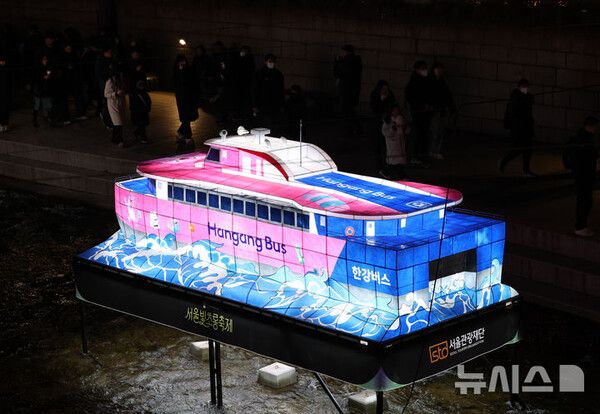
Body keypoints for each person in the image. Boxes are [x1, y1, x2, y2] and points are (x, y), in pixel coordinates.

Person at [568, 116, 599, 237]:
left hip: (582, 175)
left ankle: (581, 226)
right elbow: (589, 157)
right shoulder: (585, 140)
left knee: (584, 200)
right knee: (585, 201)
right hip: (584, 175)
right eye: (595, 126)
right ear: (591, 126)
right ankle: (580, 226)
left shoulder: (580, 137)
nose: (596, 129)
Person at [499, 78, 536, 176]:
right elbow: (512, 113)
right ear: (519, 87)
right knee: (519, 149)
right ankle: (504, 161)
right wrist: (510, 126)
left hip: (527, 128)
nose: (525, 88)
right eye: (523, 86)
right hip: (519, 129)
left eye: (527, 86)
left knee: (527, 149)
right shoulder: (516, 97)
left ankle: (526, 170)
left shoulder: (527, 97)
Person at [405, 60, 433, 164]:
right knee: (417, 134)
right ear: (417, 70)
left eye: (425, 68)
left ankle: (422, 155)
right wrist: (421, 106)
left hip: (425, 112)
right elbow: (411, 98)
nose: (425, 70)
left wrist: (429, 105)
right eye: (422, 68)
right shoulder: (414, 82)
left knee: (424, 134)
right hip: (417, 112)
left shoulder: (427, 80)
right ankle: (415, 155)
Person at [429, 62, 455, 160]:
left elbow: (448, 96)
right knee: (435, 131)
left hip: (442, 110)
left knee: (441, 131)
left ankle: (437, 151)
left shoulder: (442, 82)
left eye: (441, 68)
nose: (439, 70)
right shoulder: (431, 82)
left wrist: (452, 108)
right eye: (437, 68)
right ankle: (432, 150)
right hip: (434, 110)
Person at [334, 44, 362, 136]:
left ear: (346, 52)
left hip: (346, 91)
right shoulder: (355, 61)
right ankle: (354, 129)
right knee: (350, 111)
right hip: (351, 91)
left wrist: (337, 62)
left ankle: (349, 130)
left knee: (346, 111)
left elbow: (339, 73)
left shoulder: (347, 62)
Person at [252, 53, 285, 130]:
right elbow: (254, 90)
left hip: (275, 105)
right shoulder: (259, 74)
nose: (272, 63)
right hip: (262, 105)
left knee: (273, 126)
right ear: (265, 62)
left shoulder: (278, 74)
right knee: (263, 125)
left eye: (273, 61)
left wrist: (282, 104)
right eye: (270, 61)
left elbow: (281, 90)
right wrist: (254, 105)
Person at [369, 80, 397, 169]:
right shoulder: (375, 96)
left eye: (386, 88)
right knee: (377, 146)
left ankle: (388, 164)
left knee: (386, 146)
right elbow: (374, 109)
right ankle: (379, 166)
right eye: (383, 88)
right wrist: (381, 100)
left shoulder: (390, 96)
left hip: (387, 124)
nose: (384, 90)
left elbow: (394, 107)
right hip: (377, 125)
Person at [173, 54, 198, 145]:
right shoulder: (176, 71)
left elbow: (192, 81)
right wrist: (181, 71)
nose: (182, 63)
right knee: (185, 117)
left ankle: (180, 133)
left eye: (183, 61)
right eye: (180, 61)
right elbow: (179, 82)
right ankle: (187, 136)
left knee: (188, 117)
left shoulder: (189, 70)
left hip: (189, 96)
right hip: (182, 97)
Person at [380, 104, 408, 180]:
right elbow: (384, 132)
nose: (396, 112)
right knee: (394, 161)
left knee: (398, 161)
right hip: (392, 144)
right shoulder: (388, 121)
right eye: (394, 110)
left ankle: (388, 172)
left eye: (397, 110)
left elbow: (404, 130)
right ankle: (401, 175)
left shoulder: (400, 119)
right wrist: (392, 130)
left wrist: (405, 128)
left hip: (400, 143)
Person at [60, 43, 87, 121]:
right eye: (67, 47)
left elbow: (77, 66)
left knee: (78, 97)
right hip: (65, 81)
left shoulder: (74, 55)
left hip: (75, 80)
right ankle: (66, 117)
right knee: (65, 99)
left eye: (70, 47)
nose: (69, 49)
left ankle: (80, 114)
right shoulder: (62, 56)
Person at [104, 67, 126, 147]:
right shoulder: (110, 81)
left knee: (118, 123)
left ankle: (114, 138)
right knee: (118, 122)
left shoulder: (120, 80)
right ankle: (119, 140)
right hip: (113, 104)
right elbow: (106, 94)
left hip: (120, 104)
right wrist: (115, 94)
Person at [31, 55, 55, 128]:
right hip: (38, 89)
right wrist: (42, 77)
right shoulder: (37, 67)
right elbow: (35, 77)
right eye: (44, 59)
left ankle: (49, 118)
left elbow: (51, 75)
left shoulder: (48, 66)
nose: (45, 60)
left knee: (48, 105)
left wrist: (49, 77)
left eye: (46, 59)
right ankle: (35, 120)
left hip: (46, 89)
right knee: (37, 106)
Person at [232, 45, 255, 117]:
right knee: (238, 98)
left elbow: (250, 71)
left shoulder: (249, 60)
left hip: (246, 82)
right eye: (242, 51)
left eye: (244, 51)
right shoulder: (238, 59)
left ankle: (244, 113)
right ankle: (238, 112)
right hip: (238, 82)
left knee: (245, 98)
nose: (242, 52)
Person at [129, 78, 151, 144]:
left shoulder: (140, 93)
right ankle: (143, 138)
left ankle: (137, 132)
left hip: (142, 112)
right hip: (139, 112)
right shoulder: (135, 94)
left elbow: (148, 101)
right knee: (142, 125)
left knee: (142, 125)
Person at [0, 55, 11, 132]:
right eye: (1, 61)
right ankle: (1, 124)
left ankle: (5, 124)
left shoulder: (7, 70)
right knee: (1, 109)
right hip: (1, 94)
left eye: (3, 61)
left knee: (5, 109)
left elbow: (9, 83)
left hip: (6, 93)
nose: (2, 62)